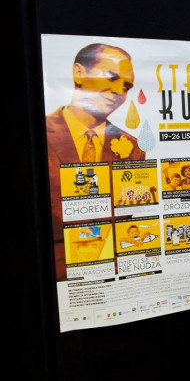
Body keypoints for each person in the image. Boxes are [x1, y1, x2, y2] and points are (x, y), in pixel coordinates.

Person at [46, 43, 146, 280]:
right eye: (111, 77)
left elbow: (126, 225)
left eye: (126, 86)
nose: (119, 91)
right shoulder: (37, 134)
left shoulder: (133, 149)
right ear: (78, 73)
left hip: (112, 278)